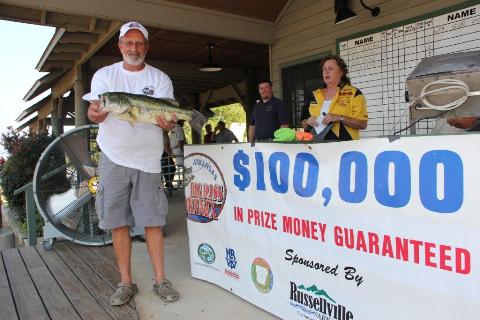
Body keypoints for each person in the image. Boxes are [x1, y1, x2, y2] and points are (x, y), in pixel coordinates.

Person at [83, 21, 179, 306]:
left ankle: (160, 280)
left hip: (149, 160)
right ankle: (126, 282)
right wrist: (96, 114)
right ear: (120, 46)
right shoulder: (105, 75)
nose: (133, 48)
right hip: (113, 157)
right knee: (117, 222)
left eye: (139, 43)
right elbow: (94, 111)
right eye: (128, 43)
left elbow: (168, 118)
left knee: (153, 221)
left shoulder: (160, 79)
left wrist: (169, 122)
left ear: (146, 47)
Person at [302, 55, 368, 141]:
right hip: (315, 147)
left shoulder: (354, 93)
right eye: (324, 69)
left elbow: (363, 124)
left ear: (341, 72)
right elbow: (303, 123)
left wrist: (340, 117)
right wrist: (307, 121)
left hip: (343, 148)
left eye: (331, 69)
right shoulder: (314, 95)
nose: (326, 72)